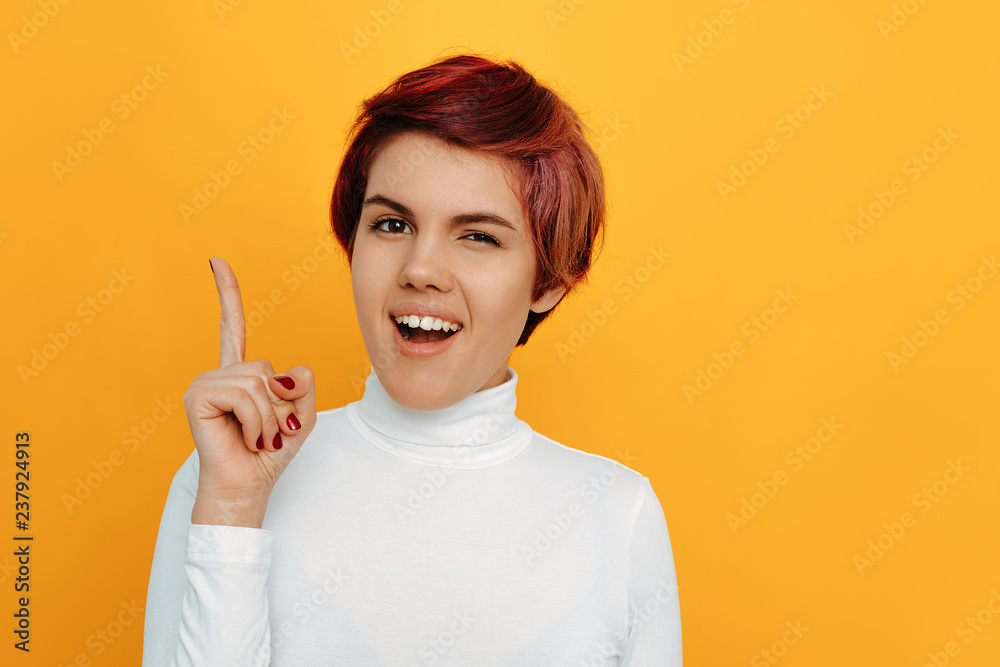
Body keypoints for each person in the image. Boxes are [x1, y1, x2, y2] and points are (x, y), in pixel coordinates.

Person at [143, 53, 682, 666]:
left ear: (549, 280)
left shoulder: (617, 515)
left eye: (478, 235)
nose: (420, 269)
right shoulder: (222, 479)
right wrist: (233, 511)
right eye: (392, 225)